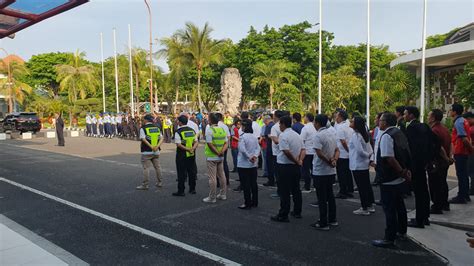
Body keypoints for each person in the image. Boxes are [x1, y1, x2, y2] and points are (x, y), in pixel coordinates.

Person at [372, 113, 411, 248]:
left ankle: (389, 238)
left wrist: (401, 171)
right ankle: (402, 231)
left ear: (385, 122)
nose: (378, 122)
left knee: (389, 209)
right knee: (400, 206)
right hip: (398, 177)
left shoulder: (387, 136)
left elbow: (389, 157)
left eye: (380, 120)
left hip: (390, 178)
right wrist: (405, 171)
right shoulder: (398, 132)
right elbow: (405, 152)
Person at [270, 115, 304, 222]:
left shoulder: (283, 136)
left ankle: (283, 214)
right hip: (295, 166)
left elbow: (286, 152)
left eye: (280, 124)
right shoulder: (297, 135)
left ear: (284, 124)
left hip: (285, 166)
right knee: (296, 189)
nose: (279, 126)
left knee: (284, 191)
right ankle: (297, 211)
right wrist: (300, 160)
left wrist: (295, 160)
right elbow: (303, 149)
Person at [404, 106, 434, 228]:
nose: (404, 115)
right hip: (423, 163)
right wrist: (429, 160)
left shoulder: (411, 128)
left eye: (406, 114)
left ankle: (419, 219)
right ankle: (425, 217)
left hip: (415, 164)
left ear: (411, 115)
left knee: (418, 192)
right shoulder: (425, 126)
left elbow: (409, 149)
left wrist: (407, 165)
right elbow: (434, 142)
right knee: (424, 190)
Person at [309, 114, 339, 230]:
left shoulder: (318, 136)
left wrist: (328, 161)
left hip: (321, 170)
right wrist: (334, 160)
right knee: (330, 195)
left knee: (322, 198)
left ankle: (323, 222)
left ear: (317, 123)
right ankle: (332, 219)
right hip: (330, 170)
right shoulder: (331, 133)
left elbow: (319, 153)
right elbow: (337, 150)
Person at [427, 109, 453, 214]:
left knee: (435, 184)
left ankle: (437, 206)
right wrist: (450, 156)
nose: (427, 117)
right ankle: (444, 204)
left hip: (437, 162)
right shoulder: (445, 129)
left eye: (429, 115)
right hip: (444, 162)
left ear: (433, 118)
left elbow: (439, 147)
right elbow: (450, 143)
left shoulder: (434, 131)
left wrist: (446, 158)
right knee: (442, 183)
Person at [349, 116, 375, 215]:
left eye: (352, 121)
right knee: (366, 185)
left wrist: (367, 156)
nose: (350, 122)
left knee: (361, 187)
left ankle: (364, 207)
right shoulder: (364, 134)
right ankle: (370, 205)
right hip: (363, 164)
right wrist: (369, 157)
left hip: (357, 164)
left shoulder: (356, 136)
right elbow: (370, 149)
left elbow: (360, 151)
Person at [449, 103, 473, 204]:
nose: (450, 112)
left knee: (461, 175)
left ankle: (461, 196)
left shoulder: (458, 122)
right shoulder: (464, 121)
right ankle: (466, 195)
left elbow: (463, 138)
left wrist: (471, 149)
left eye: (451, 110)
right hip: (464, 151)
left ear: (454, 112)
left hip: (460, 151)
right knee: (464, 174)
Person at [203, 113, 228, 203]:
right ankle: (223, 194)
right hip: (221, 156)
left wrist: (217, 152)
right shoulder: (221, 129)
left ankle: (212, 197)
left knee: (212, 177)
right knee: (222, 175)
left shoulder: (210, 130)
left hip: (212, 156)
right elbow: (226, 143)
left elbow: (209, 144)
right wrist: (221, 152)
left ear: (210, 120)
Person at [172, 115, 198, 196]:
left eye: (178, 121)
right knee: (191, 172)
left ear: (180, 122)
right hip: (191, 154)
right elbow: (196, 141)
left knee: (181, 173)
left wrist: (187, 149)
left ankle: (181, 190)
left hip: (182, 155)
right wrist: (192, 148)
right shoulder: (192, 131)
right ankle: (192, 189)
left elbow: (179, 144)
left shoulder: (178, 132)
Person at [237, 119, 260, 209]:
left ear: (245, 126)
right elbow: (258, 148)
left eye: (242, 126)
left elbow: (242, 150)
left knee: (245, 184)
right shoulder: (254, 137)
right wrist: (254, 156)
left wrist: (249, 157)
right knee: (253, 183)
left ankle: (247, 203)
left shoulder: (242, 137)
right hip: (253, 164)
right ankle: (255, 201)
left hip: (243, 164)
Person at [136, 114, 163, 190]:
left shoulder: (143, 128)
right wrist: (157, 147)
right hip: (156, 151)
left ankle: (145, 184)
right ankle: (160, 182)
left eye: (144, 119)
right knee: (157, 167)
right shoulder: (157, 128)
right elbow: (161, 138)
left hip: (146, 151)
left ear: (146, 120)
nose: (143, 120)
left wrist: (151, 147)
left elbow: (143, 139)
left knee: (146, 168)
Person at [335, 110, 355, 198]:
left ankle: (343, 191)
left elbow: (342, 141)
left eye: (337, 116)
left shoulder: (341, 127)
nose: (336, 118)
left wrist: (347, 150)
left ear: (340, 117)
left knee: (341, 173)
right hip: (347, 154)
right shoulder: (349, 125)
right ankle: (349, 189)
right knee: (347, 172)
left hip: (342, 154)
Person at [300, 113, 317, 193]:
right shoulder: (315, 127)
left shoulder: (305, 128)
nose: (304, 118)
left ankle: (307, 186)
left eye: (305, 117)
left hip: (307, 151)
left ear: (307, 118)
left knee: (306, 170)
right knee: (314, 169)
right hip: (314, 151)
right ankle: (315, 185)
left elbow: (301, 140)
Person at [463, 112, 474, 196]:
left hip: (472, 151)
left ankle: (472, 189)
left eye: (466, 120)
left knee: (471, 170)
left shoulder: (471, 128)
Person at [263, 115, 275, 186]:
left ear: (266, 120)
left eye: (264, 122)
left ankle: (271, 181)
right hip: (274, 148)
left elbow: (266, 135)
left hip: (270, 148)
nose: (265, 124)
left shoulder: (269, 126)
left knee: (269, 165)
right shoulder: (274, 125)